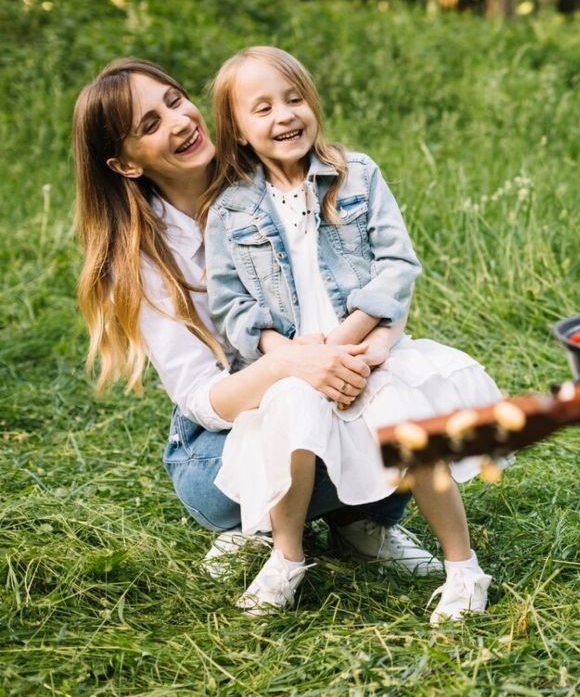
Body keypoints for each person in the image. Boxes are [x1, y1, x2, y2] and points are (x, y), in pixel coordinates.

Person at [72, 58, 443, 611]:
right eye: (148, 125)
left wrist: (376, 343)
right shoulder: (142, 259)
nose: (177, 122)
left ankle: (362, 523)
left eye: (174, 100)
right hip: (223, 431)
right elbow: (199, 396)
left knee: (404, 397)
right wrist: (290, 365)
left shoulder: (278, 166)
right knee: (249, 467)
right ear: (125, 164)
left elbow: (373, 272)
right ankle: (257, 528)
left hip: (332, 370)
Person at [201, 46, 498, 622]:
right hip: (291, 359)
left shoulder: (356, 174)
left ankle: (465, 569)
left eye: (294, 99)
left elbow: (397, 264)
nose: (284, 116)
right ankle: (287, 558)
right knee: (291, 416)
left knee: (411, 424)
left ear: (312, 102)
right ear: (236, 130)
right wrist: (282, 354)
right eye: (261, 108)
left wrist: (360, 337)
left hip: (364, 349)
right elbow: (230, 304)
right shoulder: (230, 210)